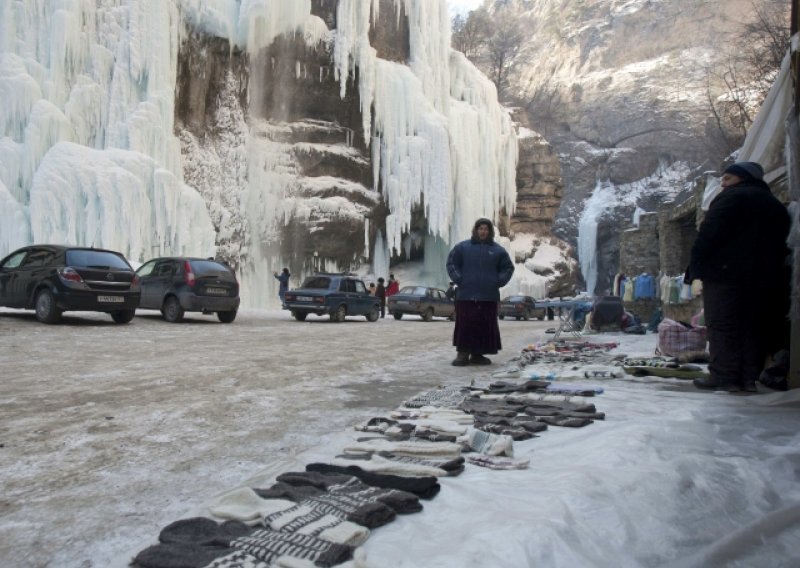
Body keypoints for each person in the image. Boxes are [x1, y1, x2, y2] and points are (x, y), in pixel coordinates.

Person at [685, 161, 790, 392]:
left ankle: (723, 376)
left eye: (727, 179)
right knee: (753, 325)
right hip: (764, 278)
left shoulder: (730, 199)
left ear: (742, 178)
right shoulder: (774, 205)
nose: (723, 183)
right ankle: (748, 378)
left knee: (722, 324)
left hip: (725, 274)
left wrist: (696, 267)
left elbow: (709, 234)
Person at [446, 218, 515, 366]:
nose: (483, 231)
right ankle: (462, 354)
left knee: (483, 326)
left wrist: (498, 281)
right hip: (466, 295)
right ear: (475, 230)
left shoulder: (498, 251)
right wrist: (459, 278)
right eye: (480, 228)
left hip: (488, 296)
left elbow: (508, 268)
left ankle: (478, 354)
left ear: (490, 231)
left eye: (486, 229)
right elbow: (451, 263)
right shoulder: (462, 247)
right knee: (465, 324)